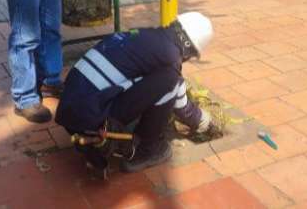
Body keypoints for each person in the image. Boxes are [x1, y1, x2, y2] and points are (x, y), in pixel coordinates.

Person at [55, 12, 214, 173]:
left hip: (70, 107)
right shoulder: (170, 57)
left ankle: (96, 130)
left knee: (162, 81)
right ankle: (148, 150)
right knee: (169, 82)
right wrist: (201, 120)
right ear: (190, 49)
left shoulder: (147, 36)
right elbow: (179, 97)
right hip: (88, 118)